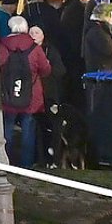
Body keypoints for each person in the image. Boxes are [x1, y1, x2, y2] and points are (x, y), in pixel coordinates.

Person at [0, 16, 53, 168]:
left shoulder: (3, 45)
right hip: (31, 96)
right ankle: (26, 164)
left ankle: (5, 160)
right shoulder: (34, 48)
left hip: (8, 94)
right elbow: (46, 70)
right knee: (29, 128)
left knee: (7, 125)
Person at [30, 24, 67, 166]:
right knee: (37, 127)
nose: (33, 34)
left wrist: (47, 69)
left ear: (43, 35)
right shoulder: (27, 50)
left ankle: (53, 159)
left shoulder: (50, 50)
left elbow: (60, 71)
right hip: (34, 95)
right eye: (31, 32)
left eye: (37, 32)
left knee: (53, 126)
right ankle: (39, 158)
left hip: (49, 94)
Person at [57, 0, 89, 107]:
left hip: (72, 51)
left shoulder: (73, 8)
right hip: (73, 50)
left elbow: (67, 30)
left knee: (73, 80)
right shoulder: (73, 7)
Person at [84, 2, 112, 73]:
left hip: (103, 71)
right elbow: (111, 50)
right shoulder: (97, 31)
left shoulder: (98, 28)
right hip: (102, 73)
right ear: (106, 15)